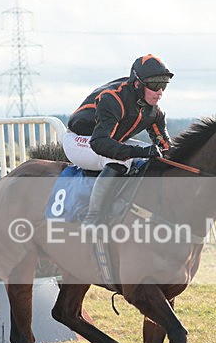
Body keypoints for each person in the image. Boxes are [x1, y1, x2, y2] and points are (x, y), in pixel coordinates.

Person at [63, 54, 174, 228]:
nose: (160, 92)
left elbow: (166, 147)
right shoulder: (113, 99)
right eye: (155, 85)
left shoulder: (154, 112)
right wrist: (140, 152)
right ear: (137, 84)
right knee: (119, 160)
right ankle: (92, 217)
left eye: (164, 85)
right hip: (80, 140)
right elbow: (99, 143)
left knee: (154, 156)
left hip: (109, 139)